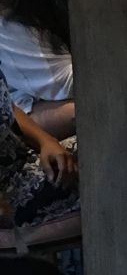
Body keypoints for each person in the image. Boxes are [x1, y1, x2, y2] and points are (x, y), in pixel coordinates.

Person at [0, 0, 75, 139]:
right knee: (99, 107)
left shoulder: (38, 11)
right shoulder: (9, 24)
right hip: (21, 117)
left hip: (40, 102)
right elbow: (60, 84)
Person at [0, 67, 77, 234]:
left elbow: (7, 106)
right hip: (9, 197)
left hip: (24, 159)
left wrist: (46, 141)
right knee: (107, 160)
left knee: (101, 142)